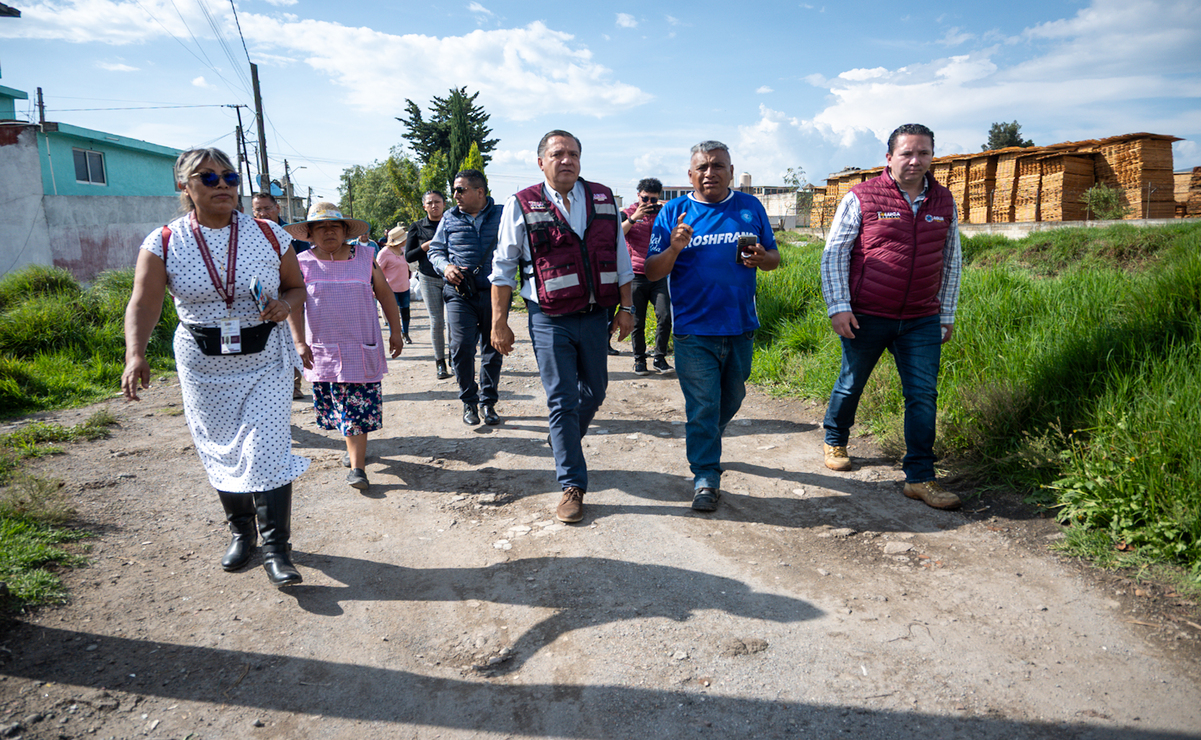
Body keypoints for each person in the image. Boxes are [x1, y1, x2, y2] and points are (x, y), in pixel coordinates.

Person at [122, 147, 310, 588]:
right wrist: (136, 352)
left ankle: (276, 548)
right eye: (208, 178)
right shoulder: (164, 241)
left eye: (229, 177)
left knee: (266, 449)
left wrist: (285, 305)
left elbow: (296, 287)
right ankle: (241, 533)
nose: (222, 184)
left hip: (266, 358)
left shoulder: (269, 235)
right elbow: (144, 302)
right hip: (203, 363)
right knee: (221, 447)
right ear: (184, 186)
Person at [491, 130, 635, 524]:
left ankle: (561, 436)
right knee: (562, 399)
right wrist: (499, 322)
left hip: (595, 315)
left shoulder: (603, 199)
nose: (566, 160)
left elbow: (620, 257)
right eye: (557, 154)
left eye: (573, 154)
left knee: (596, 391)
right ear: (542, 162)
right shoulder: (521, 204)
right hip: (548, 317)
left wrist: (627, 307)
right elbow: (503, 269)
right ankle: (572, 485)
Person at [819, 123, 963, 510]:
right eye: (907, 153)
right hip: (867, 313)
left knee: (922, 395)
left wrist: (945, 312)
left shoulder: (944, 202)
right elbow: (834, 254)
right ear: (889, 158)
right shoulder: (862, 197)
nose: (916, 161)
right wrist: (839, 307)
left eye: (924, 153)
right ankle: (835, 437)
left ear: (933, 156)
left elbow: (952, 261)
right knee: (851, 383)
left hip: (921, 318)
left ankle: (920, 476)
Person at [645, 140, 780, 513]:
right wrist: (673, 248)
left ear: (731, 171)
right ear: (690, 175)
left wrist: (761, 258)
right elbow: (652, 270)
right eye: (702, 167)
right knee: (703, 405)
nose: (710, 172)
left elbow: (774, 259)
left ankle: (706, 440)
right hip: (693, 329)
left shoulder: (749, 208)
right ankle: (705, 476)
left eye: (718, 165)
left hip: (740, 325)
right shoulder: (674, 211)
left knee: (732, 397)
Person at [284, 202, 404, 492]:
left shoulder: (366, 257)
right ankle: (355, 453)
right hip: (323, 349)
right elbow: (294, 306)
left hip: (361, 345)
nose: (328, 232)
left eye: (334, 226)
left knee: (355, 410)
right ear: (309, 233)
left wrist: (396, 332)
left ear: (345, 231)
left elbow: (386, 295)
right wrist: (299, 341)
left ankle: (357, 468)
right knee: (340, 408)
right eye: (320, 227)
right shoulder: (302, 263)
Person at [428, 169, 505, 427]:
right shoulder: (449, 217)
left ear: (479, 192)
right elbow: (436, 250)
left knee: (493, 348)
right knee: (461, 347)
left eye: (460, 189)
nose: (455, 195)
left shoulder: (502, 215)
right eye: (454, 189)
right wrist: (445, 266)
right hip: (460, 293)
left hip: (495, 293)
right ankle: (469, 401)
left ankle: (488, 402)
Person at [252, 191, 310, 398]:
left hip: (292, 295)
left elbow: (306, 261)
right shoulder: (251, 235)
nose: (263, 213)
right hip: (263, 299)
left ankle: (294, 384)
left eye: (267, 208)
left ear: (278, 208)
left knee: (296, 338)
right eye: (258, 209)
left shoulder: (293, 234)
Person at [622, 177, 673, 376]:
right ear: (638, 195)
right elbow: (618, 234)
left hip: (658, 275)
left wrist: (664, 214)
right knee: (638, 321)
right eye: (646, 199)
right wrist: (634, 217)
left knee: (665, 316)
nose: (649, 204)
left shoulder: (663, 214)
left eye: (654, 200)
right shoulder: (628, 213)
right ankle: (639, 361)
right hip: (635, 275)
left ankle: (659, 358)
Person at [406, 191, 451, 379]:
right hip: (428, 277)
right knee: (437, 321)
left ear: (444, 204)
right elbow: (408, 256)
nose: (434, 205)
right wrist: (426, 246)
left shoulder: (452, 222)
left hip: (451, 277)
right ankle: (440, 362)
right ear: (424, 206)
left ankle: (455, 359)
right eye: (430, 202)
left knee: (454, 322)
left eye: (438, 202)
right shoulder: (417, 227)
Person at [376, 226, 413, 343]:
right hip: (391, 289)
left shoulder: (403, 250)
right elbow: (377, 271)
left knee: (405, 312)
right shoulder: (384, 253)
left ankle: (406, 333)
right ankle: (394, 335)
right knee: (393, 315)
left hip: (405, 287)